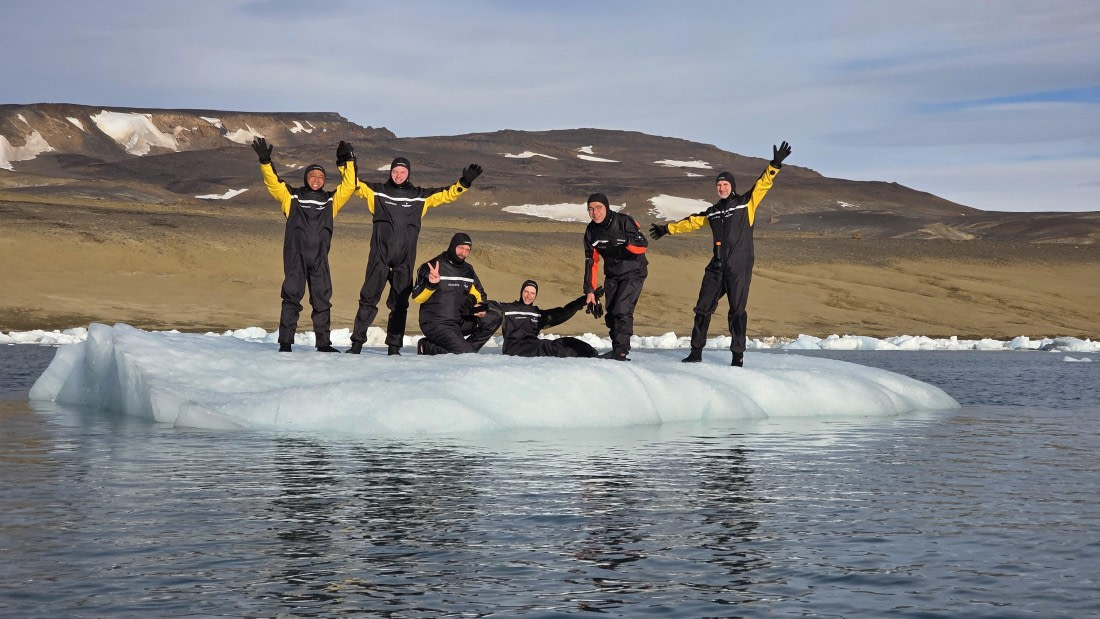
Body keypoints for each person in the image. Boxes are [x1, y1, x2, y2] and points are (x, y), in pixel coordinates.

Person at [648, 141, 792, 367]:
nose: (722, 188)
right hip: (717, 265)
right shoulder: (713, 212)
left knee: (737, 311)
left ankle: (737, 356)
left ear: (731, 186)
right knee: (702, 308)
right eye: (719, 185)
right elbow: (692, 222)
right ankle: (696, 352)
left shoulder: (746, 203)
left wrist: (774, 164)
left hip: (739, 266)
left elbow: (762, 184)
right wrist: (667, 229)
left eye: (725, 184)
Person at [345, 156, 483, 355]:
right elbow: (352, 184)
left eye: (402, 171)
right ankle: (356, 344)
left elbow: (446, 195)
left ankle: (394, 347)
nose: (398, 175)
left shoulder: (419, 196)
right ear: (390, 172)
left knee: (400, 304)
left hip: (404, 261)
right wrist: (347, 163)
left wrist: (464, 183)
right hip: (379, 259)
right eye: (395, 171)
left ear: (408, 173)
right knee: (367, 300)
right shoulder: (377, 192)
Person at [251, 137, 358, 353]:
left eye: (320, 176)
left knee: (322, 300)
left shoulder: (331, 200)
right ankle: (285, 342)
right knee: (291, 297)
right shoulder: (291, 197)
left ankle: (323, 344)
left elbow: (349, 186)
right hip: (295, 257)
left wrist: (349, 161)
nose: (316, 179)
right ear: (305, 177)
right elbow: (274, 183)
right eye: (312, 175)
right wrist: (265, 162)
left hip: (320, 258)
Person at [582, 193, 648, 361]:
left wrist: (626, 241)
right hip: (612, 274)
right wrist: (590, 290)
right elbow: (592, 262)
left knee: (622, 309)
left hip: (634, 270)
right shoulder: (591, 232)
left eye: (598, 208)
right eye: (590, 209)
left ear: (606, 207)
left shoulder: (624, 221)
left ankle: (621, 351)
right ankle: (616, 348)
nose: (594, 212)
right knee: (611, 312)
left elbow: (642, 246)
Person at [411, 233, 502, 355]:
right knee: (465, 354)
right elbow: (417, 297)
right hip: (436, 323)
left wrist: (479, 306)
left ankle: (464, 349)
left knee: (494, 317)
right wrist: (431, 285)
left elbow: (481, 295)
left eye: (467, 250)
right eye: (460, 248)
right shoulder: (432, 266)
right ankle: (426, 347)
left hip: (458, 322)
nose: (463, 253)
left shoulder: (468, 270)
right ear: (452, 246)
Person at [491, 280, 601, 358]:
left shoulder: (537, 314)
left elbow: (562, 312)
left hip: (533, 346)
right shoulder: (508, 308)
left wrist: (584, 300)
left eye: (532, 293)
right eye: (526, 291)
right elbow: (487, 305)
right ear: (521, 292)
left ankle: (592, 354)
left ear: (535, 295)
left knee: (567, 341)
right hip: (514, 349)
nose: (529, 296)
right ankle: (581, 358)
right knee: (547, 346)